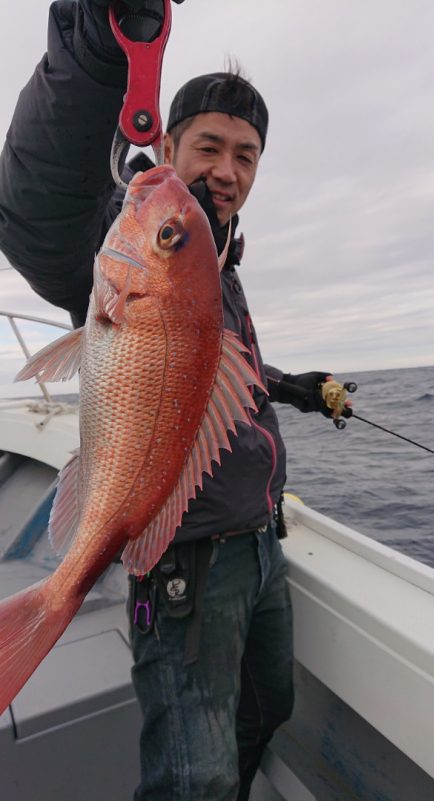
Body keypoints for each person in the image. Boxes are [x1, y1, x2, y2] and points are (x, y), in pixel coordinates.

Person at [0, 2, 351, 799]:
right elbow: (34, 206)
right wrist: (97, 43)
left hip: (259, 542)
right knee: (192, 778)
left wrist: (287, 387)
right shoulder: (119, 239)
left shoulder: (215, 259)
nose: (229, 170)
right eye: (211, 146)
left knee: (270, 705)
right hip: (189, 565)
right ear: (165, 144)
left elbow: (210, 379)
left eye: (248, 155)